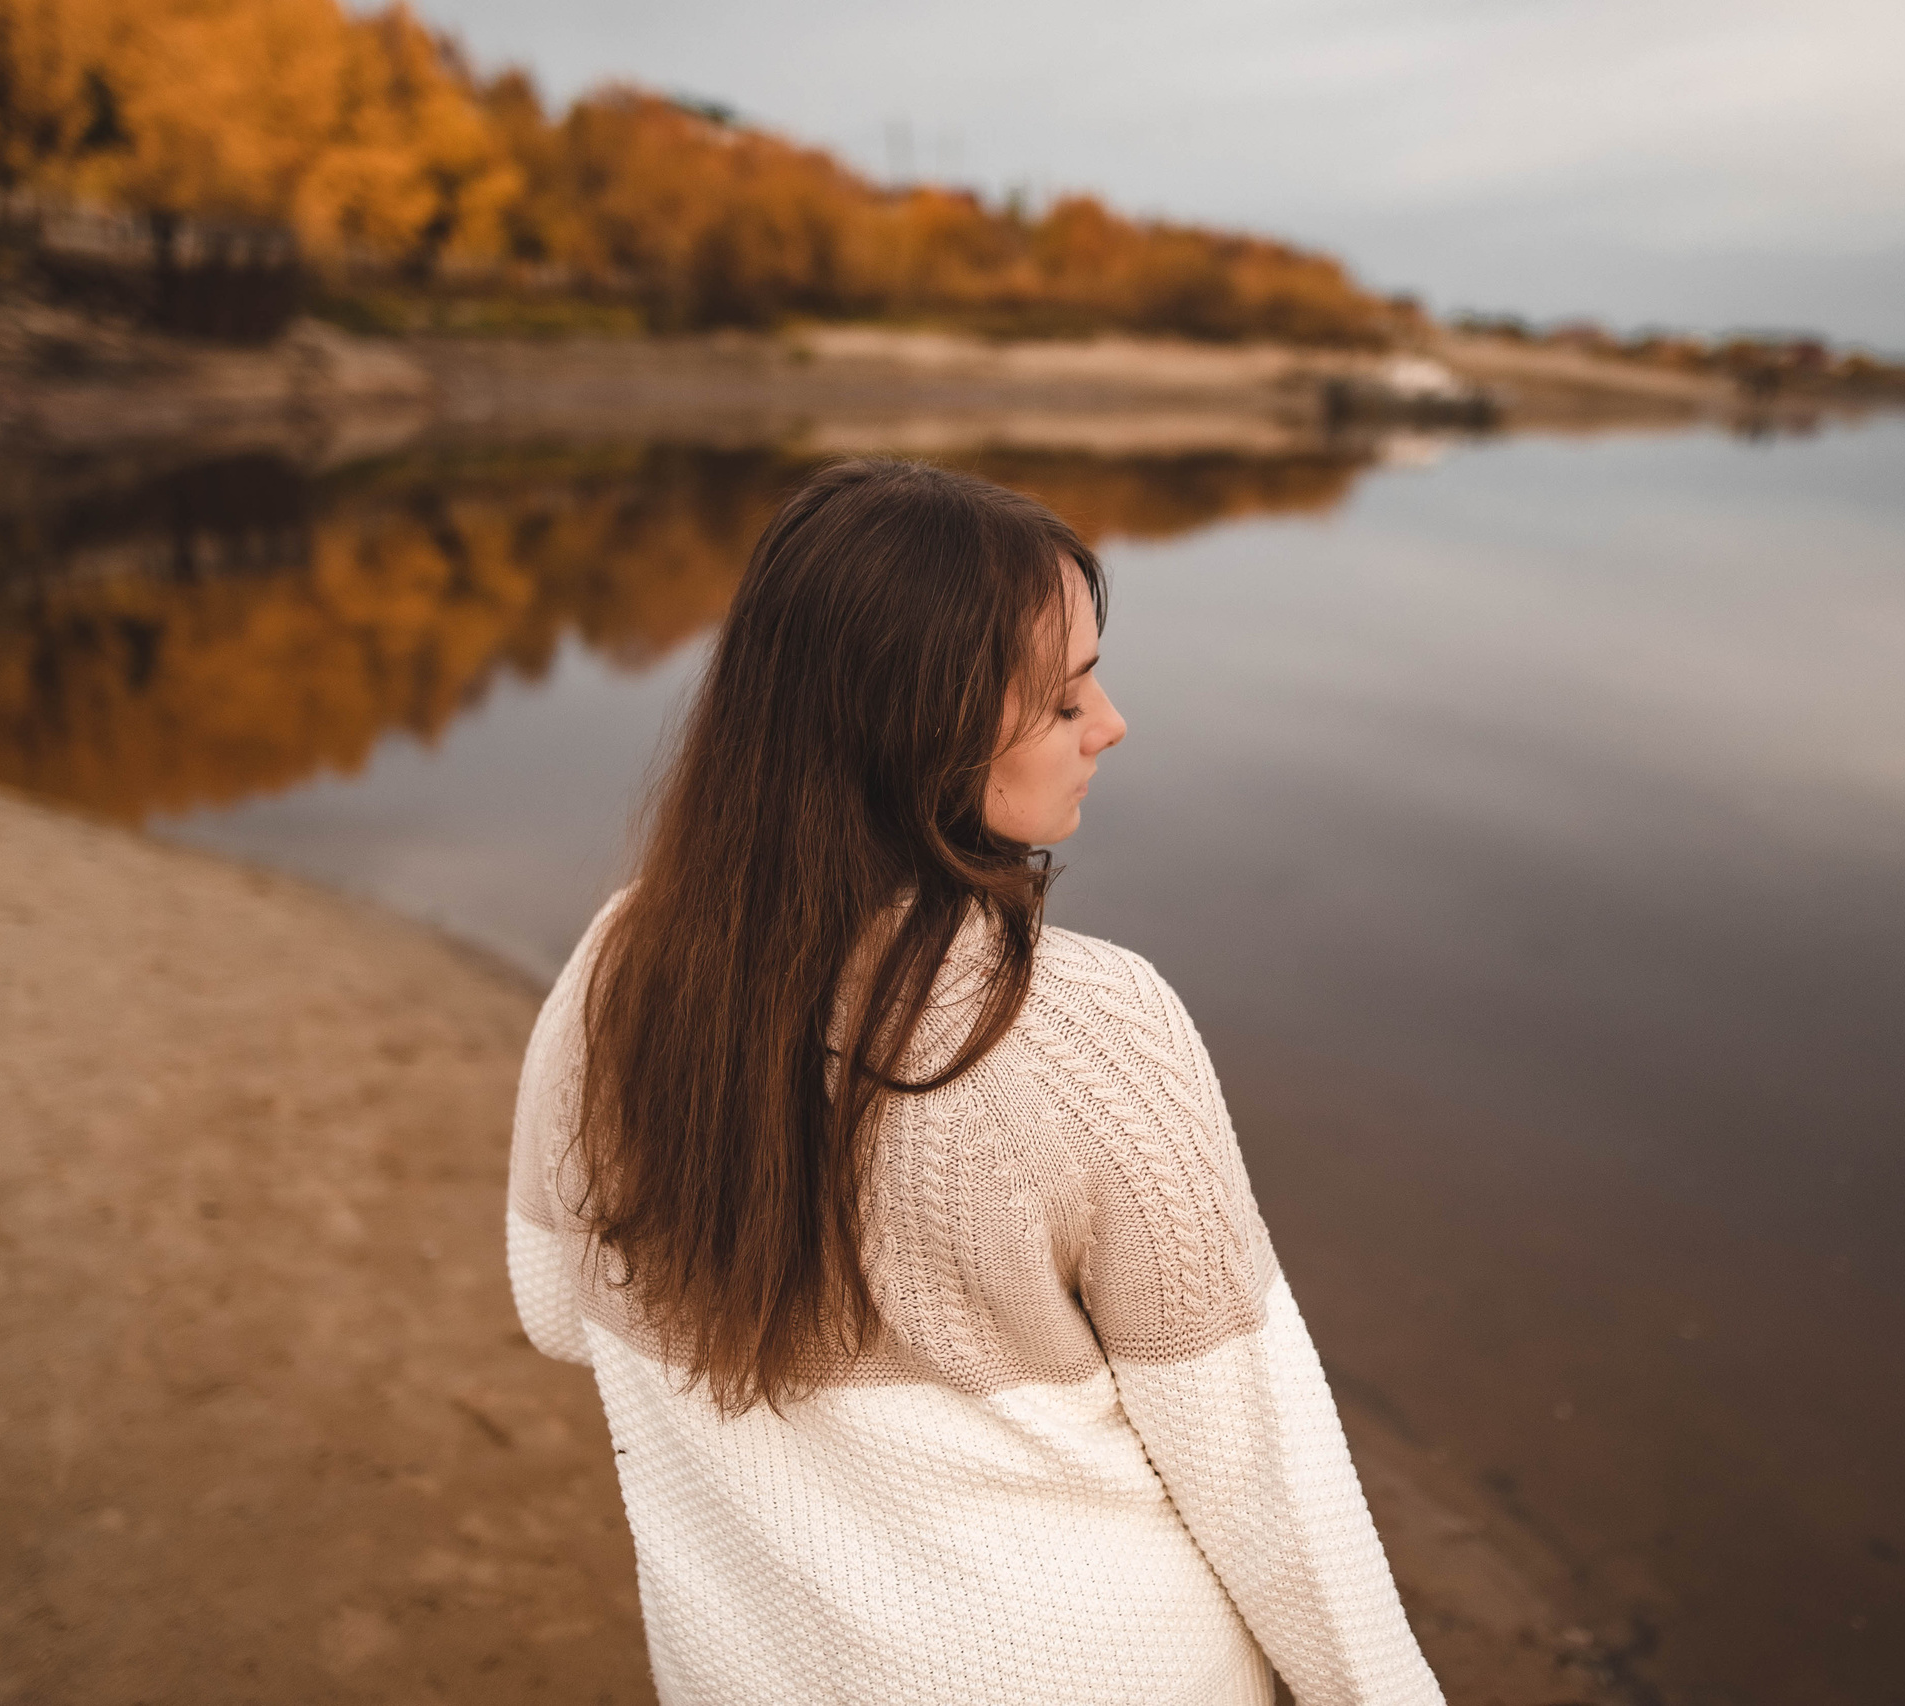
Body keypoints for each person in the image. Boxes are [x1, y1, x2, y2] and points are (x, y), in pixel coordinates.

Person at [507, 459, 1442, 1705]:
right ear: (918, 729)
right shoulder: (1086, 1025)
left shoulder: (623, 965)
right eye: (1063, 701)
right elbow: (1262, 1473)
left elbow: (557, 1311)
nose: (1110, 721)